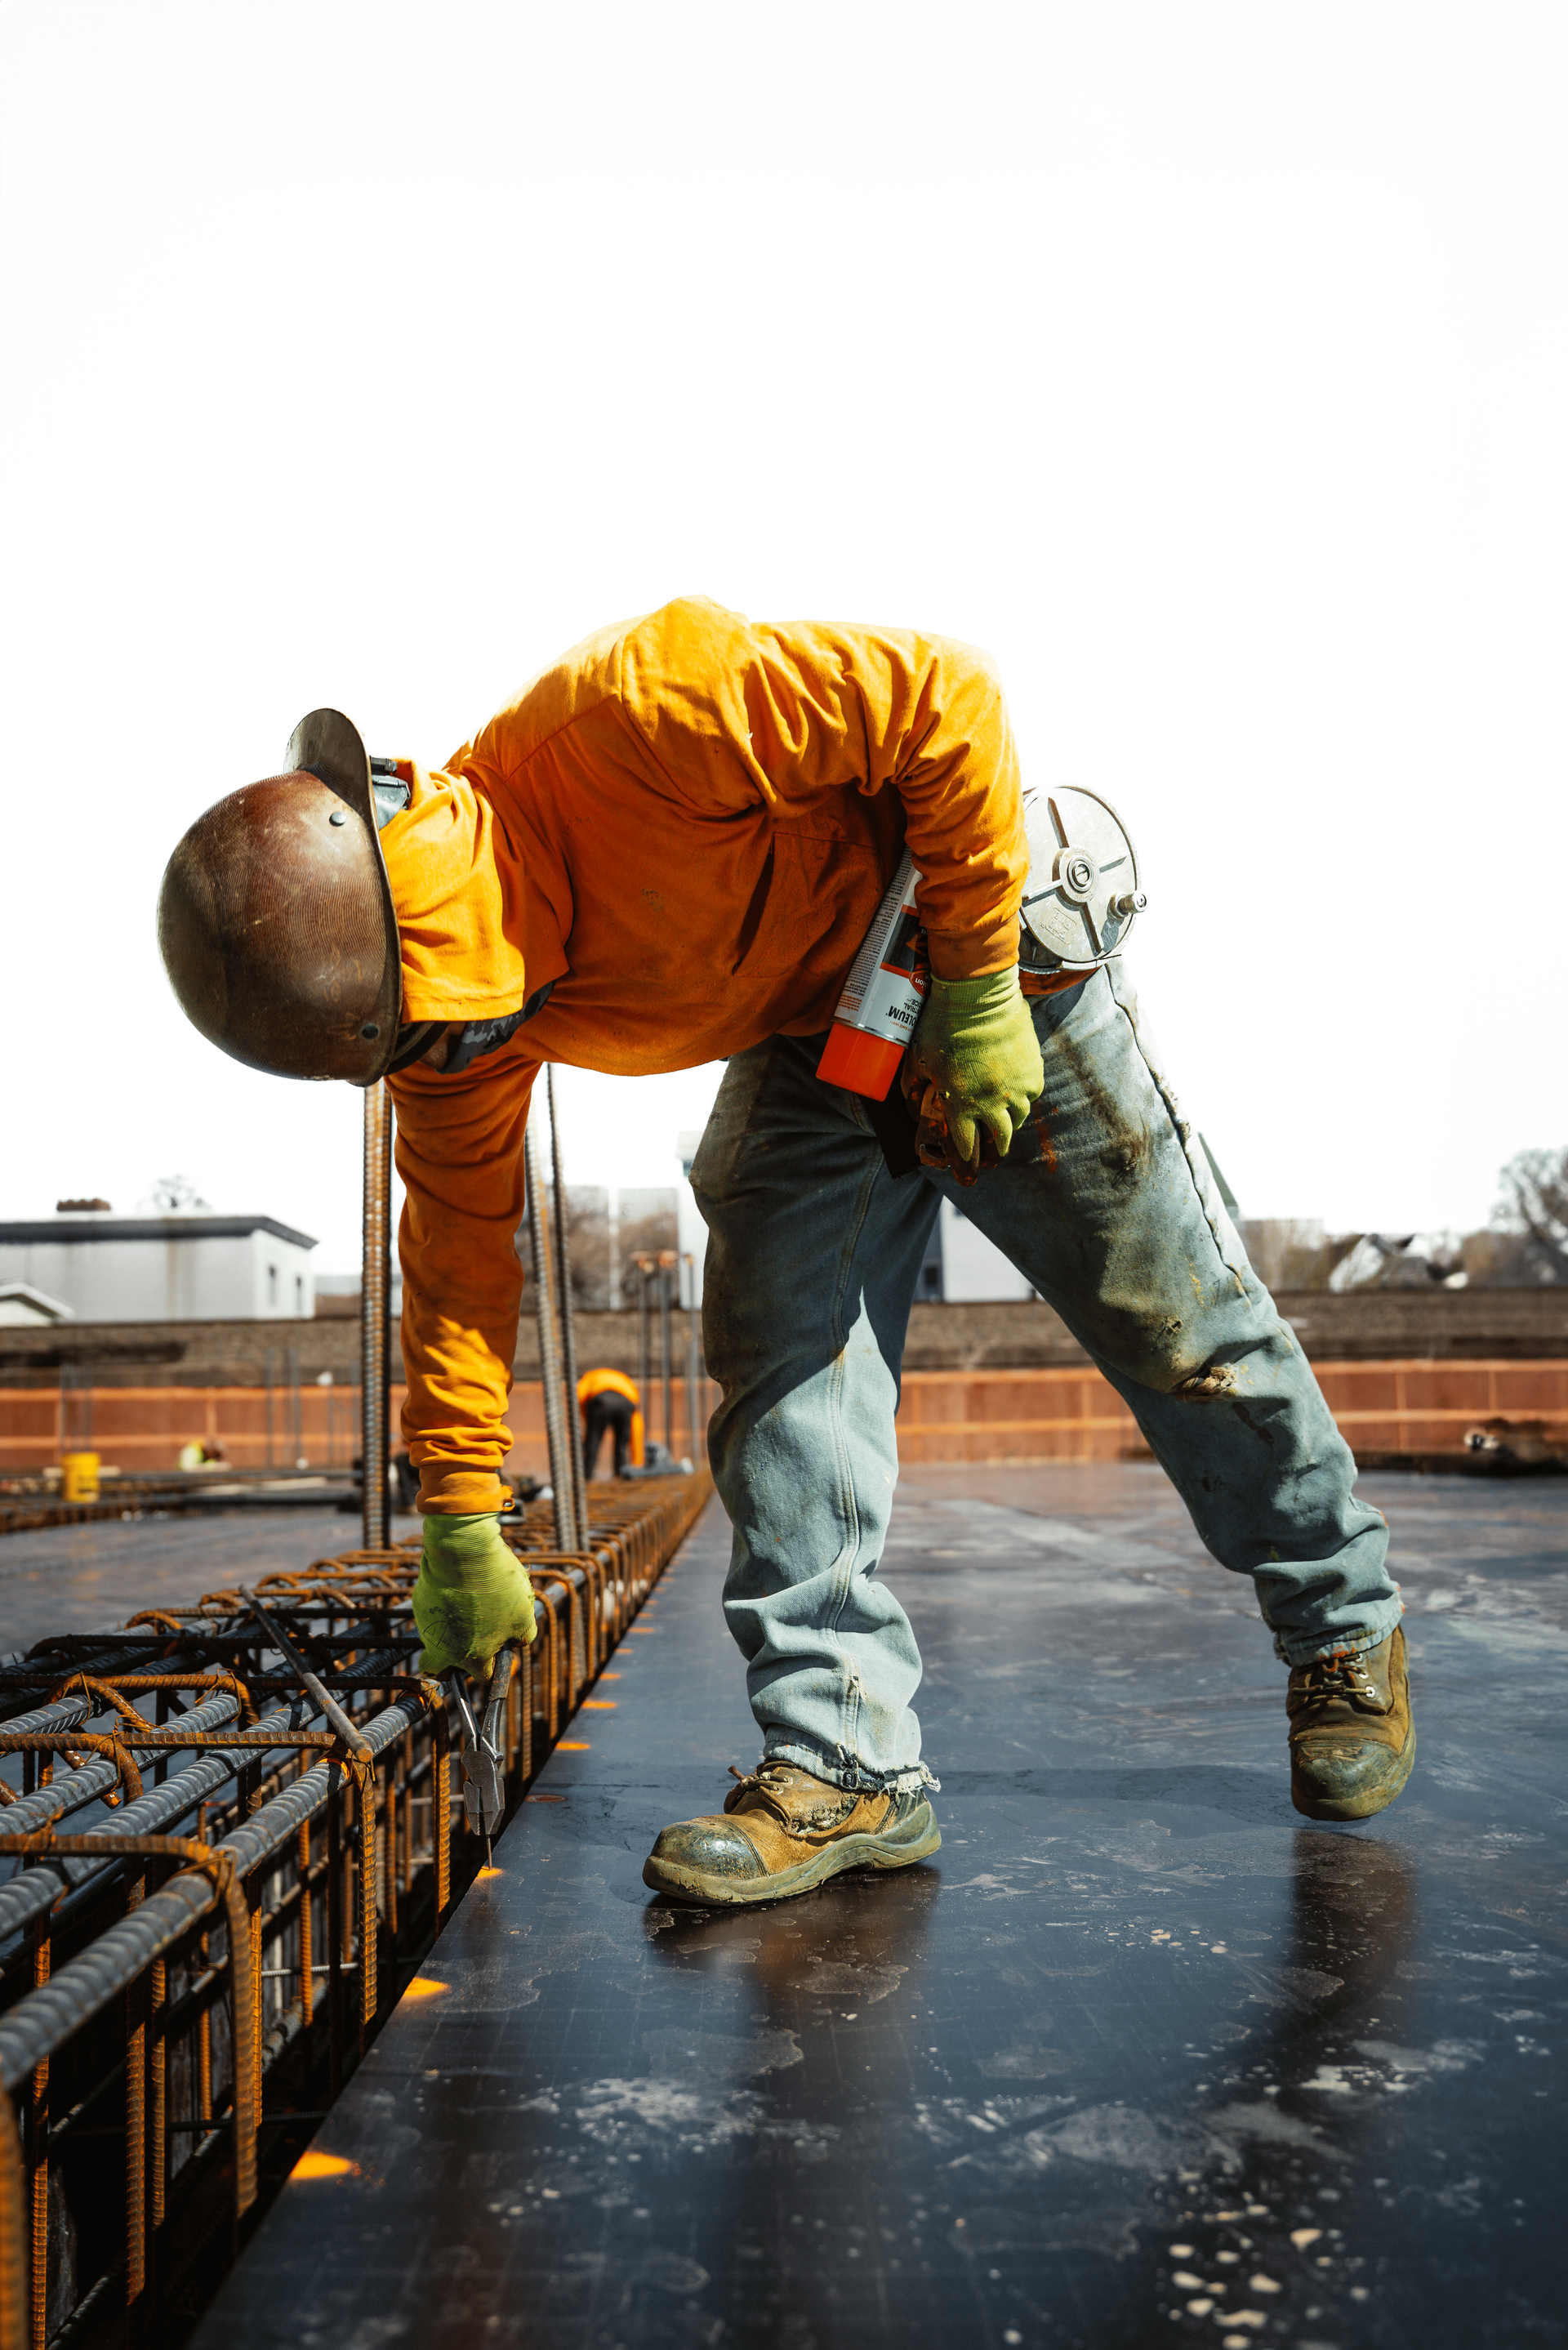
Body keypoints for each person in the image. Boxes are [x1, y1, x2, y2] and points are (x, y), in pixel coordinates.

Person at [157, 596, 1413, 1907]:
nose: (470, 1050)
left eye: (454, 1023)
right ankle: (843, 1765)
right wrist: (462, 1511)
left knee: (1174, 1320)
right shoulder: (449, 1035)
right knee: (780, 1373)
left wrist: (982, 990)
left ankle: (1344, 1625)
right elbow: (464, 1258)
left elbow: (948, 699)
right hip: (820, 1037)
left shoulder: (640, 710)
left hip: (965, 947)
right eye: (433, 1042)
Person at [577, 1367, 643, 1480]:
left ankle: (586, 1477)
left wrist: (589, 1422)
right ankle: (621, 1474)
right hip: (625, 1403)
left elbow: (580, 1396)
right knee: (621, 1444)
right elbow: (636, 1425)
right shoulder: (624, 1378)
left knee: (593, 1441)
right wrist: (638, 1463)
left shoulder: (590, 1375)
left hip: (601, 1401)